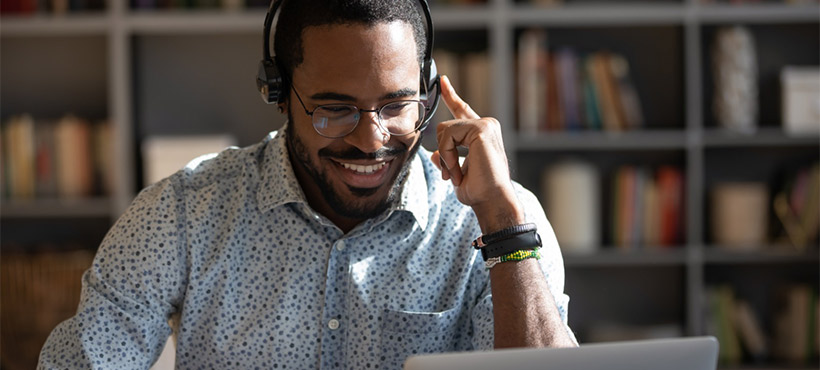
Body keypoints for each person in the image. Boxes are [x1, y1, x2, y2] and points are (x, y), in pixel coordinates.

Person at [38, 0, 576, 368]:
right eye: (334, 109)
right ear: (278, 91)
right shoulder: (182, 213)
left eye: (396, 104)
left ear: (430, 93)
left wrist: (504, 227)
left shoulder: (497, 219)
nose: (371, 140)